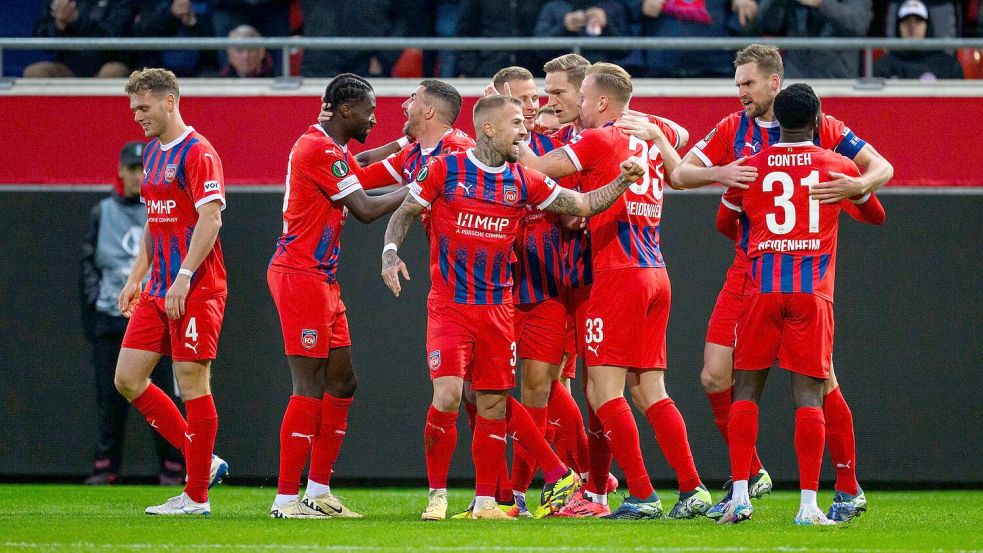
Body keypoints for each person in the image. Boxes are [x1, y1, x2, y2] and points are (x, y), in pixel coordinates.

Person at [381, 95, 644, 520]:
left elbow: (581, 205)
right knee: (448, 395)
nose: (524, 131)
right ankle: (437, 494)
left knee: (491, 404)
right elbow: (406, 211)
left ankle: (488, 500)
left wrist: (623, 182)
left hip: (497, 310)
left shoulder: (524, 180)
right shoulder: (447, 170)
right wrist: (390, 252)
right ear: (489, 129)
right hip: (449, 305)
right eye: (517, 123)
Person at [670, 43, 894, 522]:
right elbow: (683, 173)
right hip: (760, 274)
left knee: (816, 382)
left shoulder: (824, 125)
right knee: (716, 375)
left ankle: (846, 483)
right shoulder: (736, 127)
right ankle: (752, 478)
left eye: (748, 84)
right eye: (737, 84)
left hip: (771, 273)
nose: (741, 94)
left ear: (776, 83)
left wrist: (857, 184)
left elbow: (882, 167)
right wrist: (721, 172)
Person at [518, 62, 711, 520]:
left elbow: (538, 169)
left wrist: (509, 129)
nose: (578, 107)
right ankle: (692, 488)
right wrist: (658, 129)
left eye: (582, 98)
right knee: (650, 392)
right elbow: (681, 136)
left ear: (602, 102)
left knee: (604, 393)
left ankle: (641, 495)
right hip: (655, 271)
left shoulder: (599, 137)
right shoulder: (647, 131)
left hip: (616, 273)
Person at [716, 83, 886, 526]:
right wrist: (854, 191)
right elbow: (876, 216)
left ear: (777, 121)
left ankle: (738, 497)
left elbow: (724, 223)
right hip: (812, 293)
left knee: (745, 390)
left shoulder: (750, 167)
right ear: (817, 120)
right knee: (810, 395)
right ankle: (809, 506)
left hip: (761, 289)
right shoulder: (836, 166)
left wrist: (763, 238)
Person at [267, 74, 409, 519]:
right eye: (369, 110)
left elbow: (357, 165)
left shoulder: (328, 148)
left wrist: (400, 149)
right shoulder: (317, 148)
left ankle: (318, 491)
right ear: (346, 110)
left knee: (343, 382)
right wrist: (427, 185)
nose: (374, 118)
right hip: (299, 275)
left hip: (321, 278)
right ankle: (286, 500)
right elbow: (365, 208)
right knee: (308, 384)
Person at [114, 68, 229, 515]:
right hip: (159, 286)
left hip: (196, 287)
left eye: (143, 107)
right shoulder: (151, 152)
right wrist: (135, 276)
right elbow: (154, 219)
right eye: (134, 109)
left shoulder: (199, 153)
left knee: (191, 383)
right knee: (127, 377)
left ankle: (196, 496)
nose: (138, 116)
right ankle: (204, 458)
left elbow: (211, 219)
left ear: (168, 102)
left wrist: (183, 275)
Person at [486, 66, 591, 518]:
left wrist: (577, 213)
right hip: (495, 291)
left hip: (548, 287)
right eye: (525, 99)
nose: (536, 106)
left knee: (540, 391)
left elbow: (574, 211)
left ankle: (521, 494)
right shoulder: (478, 157)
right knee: (482, 392)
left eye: (538, 97)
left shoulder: (551, 151)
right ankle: (577, 477)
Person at [80, 141, 184, 486]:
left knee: (164, 391)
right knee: (110, 394)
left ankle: (173, 464)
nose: (139, 176)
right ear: (121, 172)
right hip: (111, 312)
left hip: (155, 309)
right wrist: (96, 303)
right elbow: (88, 263)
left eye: (144, 169)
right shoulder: (102, 212)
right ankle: (105, 465)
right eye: (132, 169)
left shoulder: (159, 209)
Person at [757, 0, 873, 78]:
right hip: (794, 75)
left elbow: (859, 24)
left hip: (836, 79)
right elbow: (768, 25)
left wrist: (821, 3)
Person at [25, 0, 134, 78]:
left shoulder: (121, 3)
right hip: (69, 66)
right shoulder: (61, 2)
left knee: (113, 71)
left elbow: (116, 34)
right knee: (35, 72)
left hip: (106, 63)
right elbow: (42, 37)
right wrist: (59, 25)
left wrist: (76, 21)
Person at [874, 0, 964, 80]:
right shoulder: (882, 68)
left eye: (918, 21)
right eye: (906, 21)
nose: (912, 27)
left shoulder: (949, 67)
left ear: (927, 26)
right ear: (898, 26)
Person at [132, 0, 214, 77]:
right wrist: (171, 14)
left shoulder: (206, 5)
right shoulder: (152, 4)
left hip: (198, 74)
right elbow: (140, 32)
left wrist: (194, 24)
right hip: (156, 73)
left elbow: (214, 51)